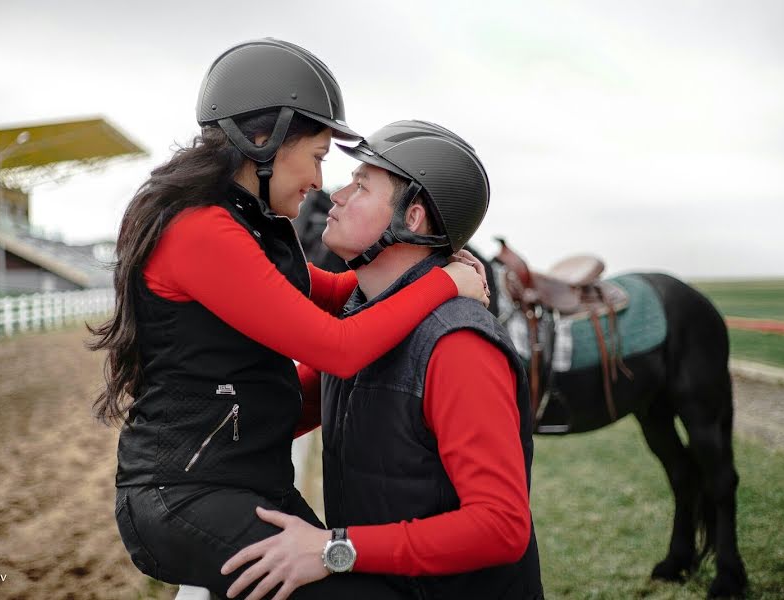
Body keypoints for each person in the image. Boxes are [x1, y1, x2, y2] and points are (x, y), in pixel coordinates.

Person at [88, 41, 488, 599]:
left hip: (242, 484)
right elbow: (339, 347)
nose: (321, 182)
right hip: (184, 496)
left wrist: (423, 262)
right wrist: (447, 284)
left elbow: (335, 291)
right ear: (262, 140)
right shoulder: (201, 230)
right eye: (320, 155)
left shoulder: (248, 224)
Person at [222, 121, 544, 600]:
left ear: (411, 219)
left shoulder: (458, 346)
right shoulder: (363, 322)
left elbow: (500, 526)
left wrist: (334, 548)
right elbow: (277, 415)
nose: (336, 194)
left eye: (361, 185)